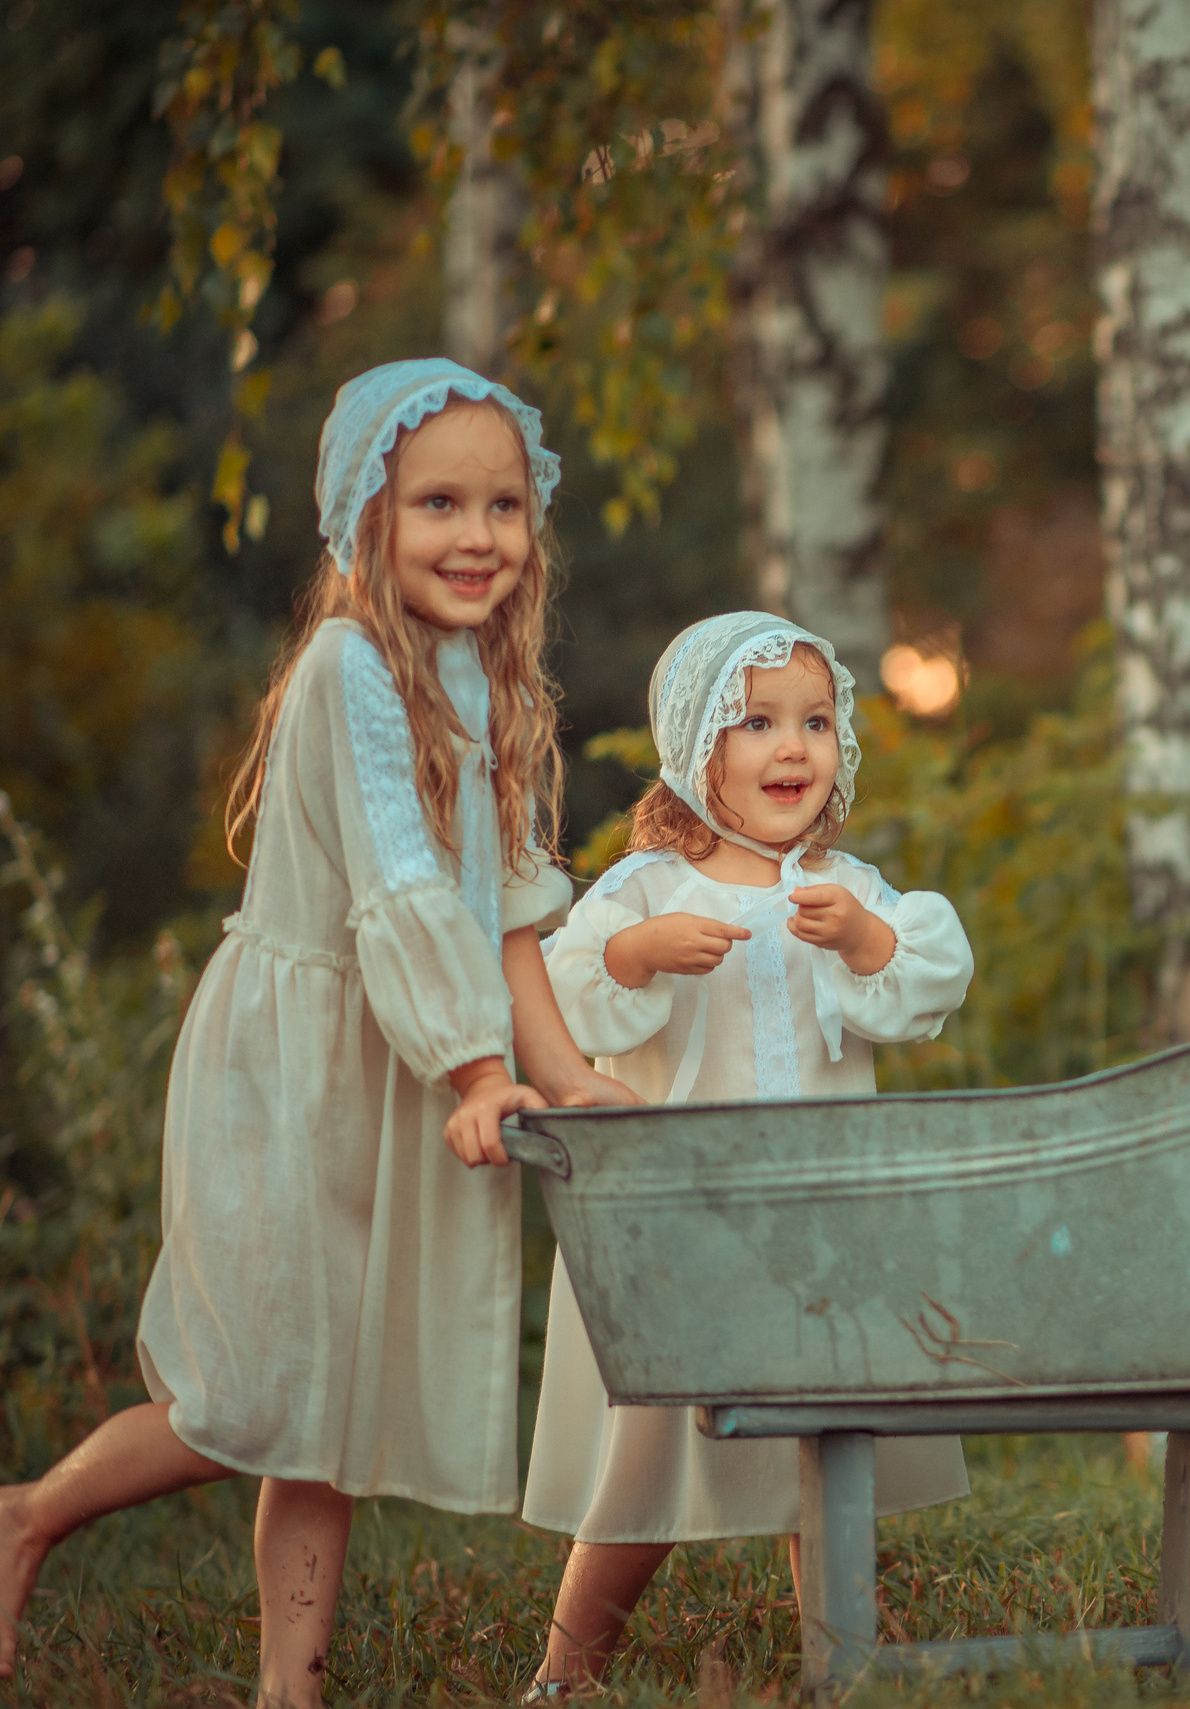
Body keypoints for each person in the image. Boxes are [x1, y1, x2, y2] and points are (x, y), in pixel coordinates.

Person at [0, 359, 639, 1706]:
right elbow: (401, 889)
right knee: (258, 1389)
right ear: (367, 519)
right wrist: (479, 1070)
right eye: (439, 504)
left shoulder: (482, 678)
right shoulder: (350, 666)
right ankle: (28, 1514)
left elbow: (507, 910)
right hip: (299, 1064)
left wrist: (565, 1073)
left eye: (504, 506)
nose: (478, 536)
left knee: (324, 1406)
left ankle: (291, 1686)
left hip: (406, 1053)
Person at [520, 611, 975, 1695]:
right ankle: (567, 1669)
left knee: (824, 1450)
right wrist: (637, 954)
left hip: (820, 1230)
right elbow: (562, 986)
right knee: (646, 1461)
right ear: (696, 747)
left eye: (815, 722)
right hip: (682, 1229)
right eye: (758, 721)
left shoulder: (845, 886)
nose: (793, 747)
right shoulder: (646, 887)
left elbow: (930, 978)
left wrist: (863, 938)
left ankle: (841, 1653)